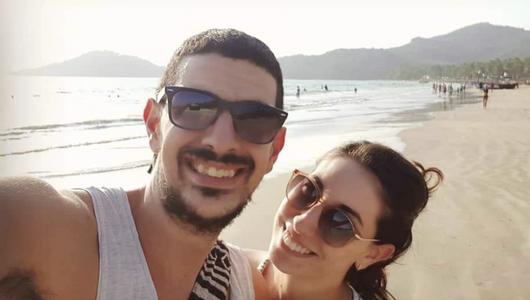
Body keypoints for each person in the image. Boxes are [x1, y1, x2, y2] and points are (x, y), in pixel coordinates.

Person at [0, 28, 287, 299]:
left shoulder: (244, 285)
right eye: (194, 107)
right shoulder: (45, 228)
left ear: (274, 151)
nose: (222, 141)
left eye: (254, 119)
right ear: (153, 126)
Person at [246, 141, 443, 300]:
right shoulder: (223, 266)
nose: (301, 223)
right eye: (309, 191)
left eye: (339, 222)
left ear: (373, 254)